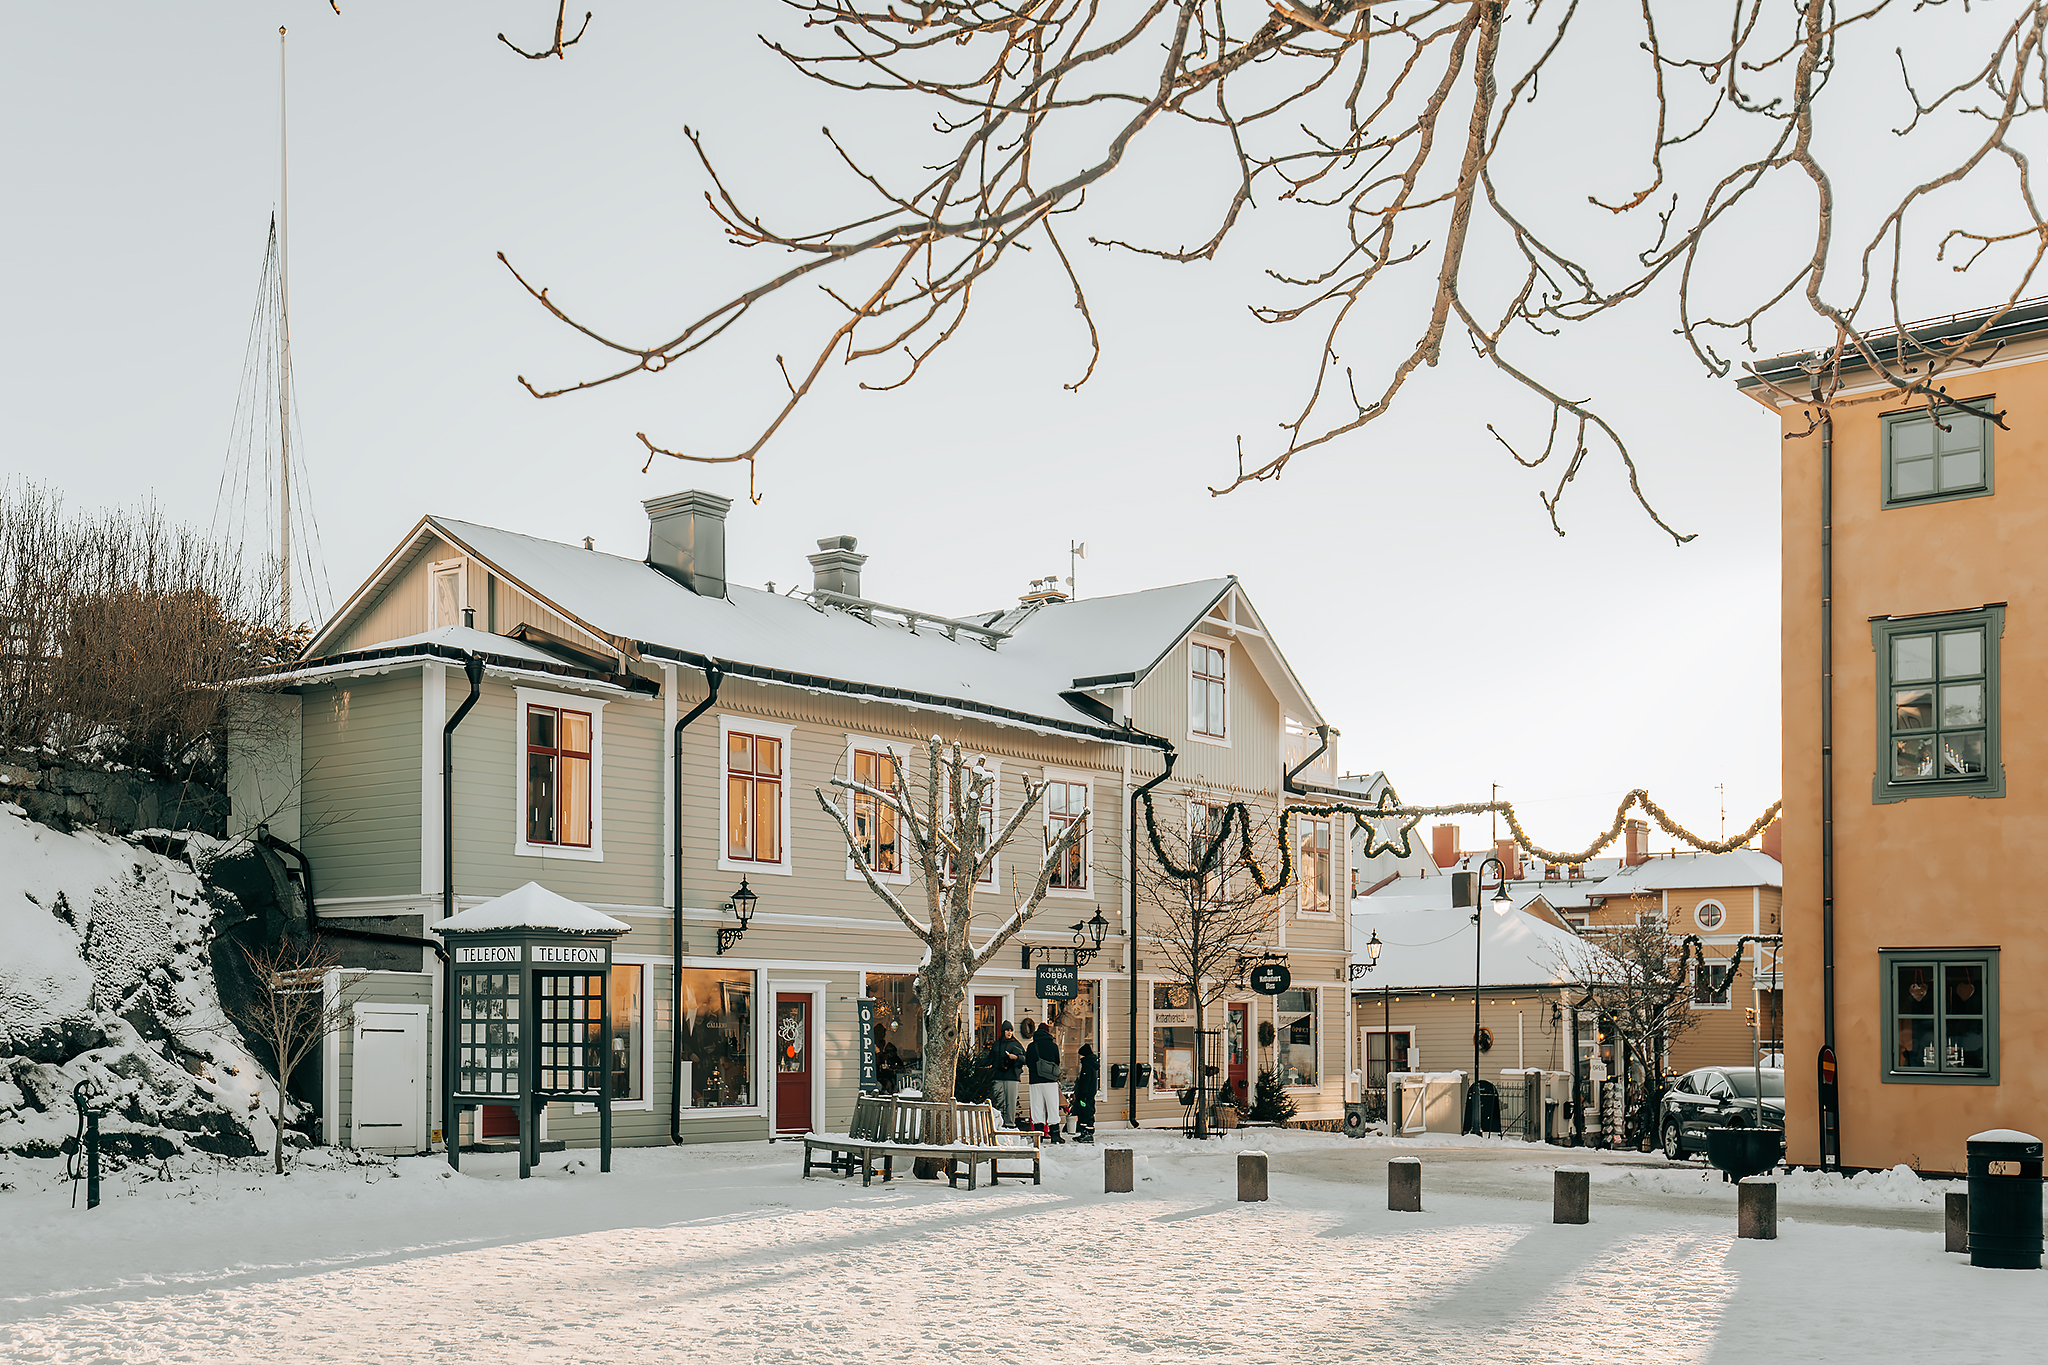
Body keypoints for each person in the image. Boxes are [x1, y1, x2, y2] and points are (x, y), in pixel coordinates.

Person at [1026, 1023, 1063, 1142]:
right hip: (1050, 1081)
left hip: (1035, 1081)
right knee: (1052, 1106)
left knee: (1037, 1106)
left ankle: (1038, 1134)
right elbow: (1057, 1061)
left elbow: (1028, 1062)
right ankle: (1055, 1134)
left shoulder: (1032, 1046)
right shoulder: (1053, 1046)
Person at [990, 1022, 1026, 1128]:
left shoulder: (1016, 1044)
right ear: (1003, 1031)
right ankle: (999, 1124)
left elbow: (1024, 1059)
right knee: (998, 1100)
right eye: (1007, 1030)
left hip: (1012, 1076)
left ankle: (1010, 1123)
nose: (1009, 1032)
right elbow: (991, 1059)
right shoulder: (996, 1044)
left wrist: (1016, 1058)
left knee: (1010, 1101)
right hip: (998, 1076)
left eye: (1011, 1030)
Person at [1071, 1042, 1099, 1143]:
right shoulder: (1092, 1065)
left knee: (1085, 1112)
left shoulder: (1087, 1066)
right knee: (1086, 1112)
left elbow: (1085, 1082)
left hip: (1085, 1096)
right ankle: (1084, 1132)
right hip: (1089, 1094)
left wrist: (1082, 1095)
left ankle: (1087, 1132)